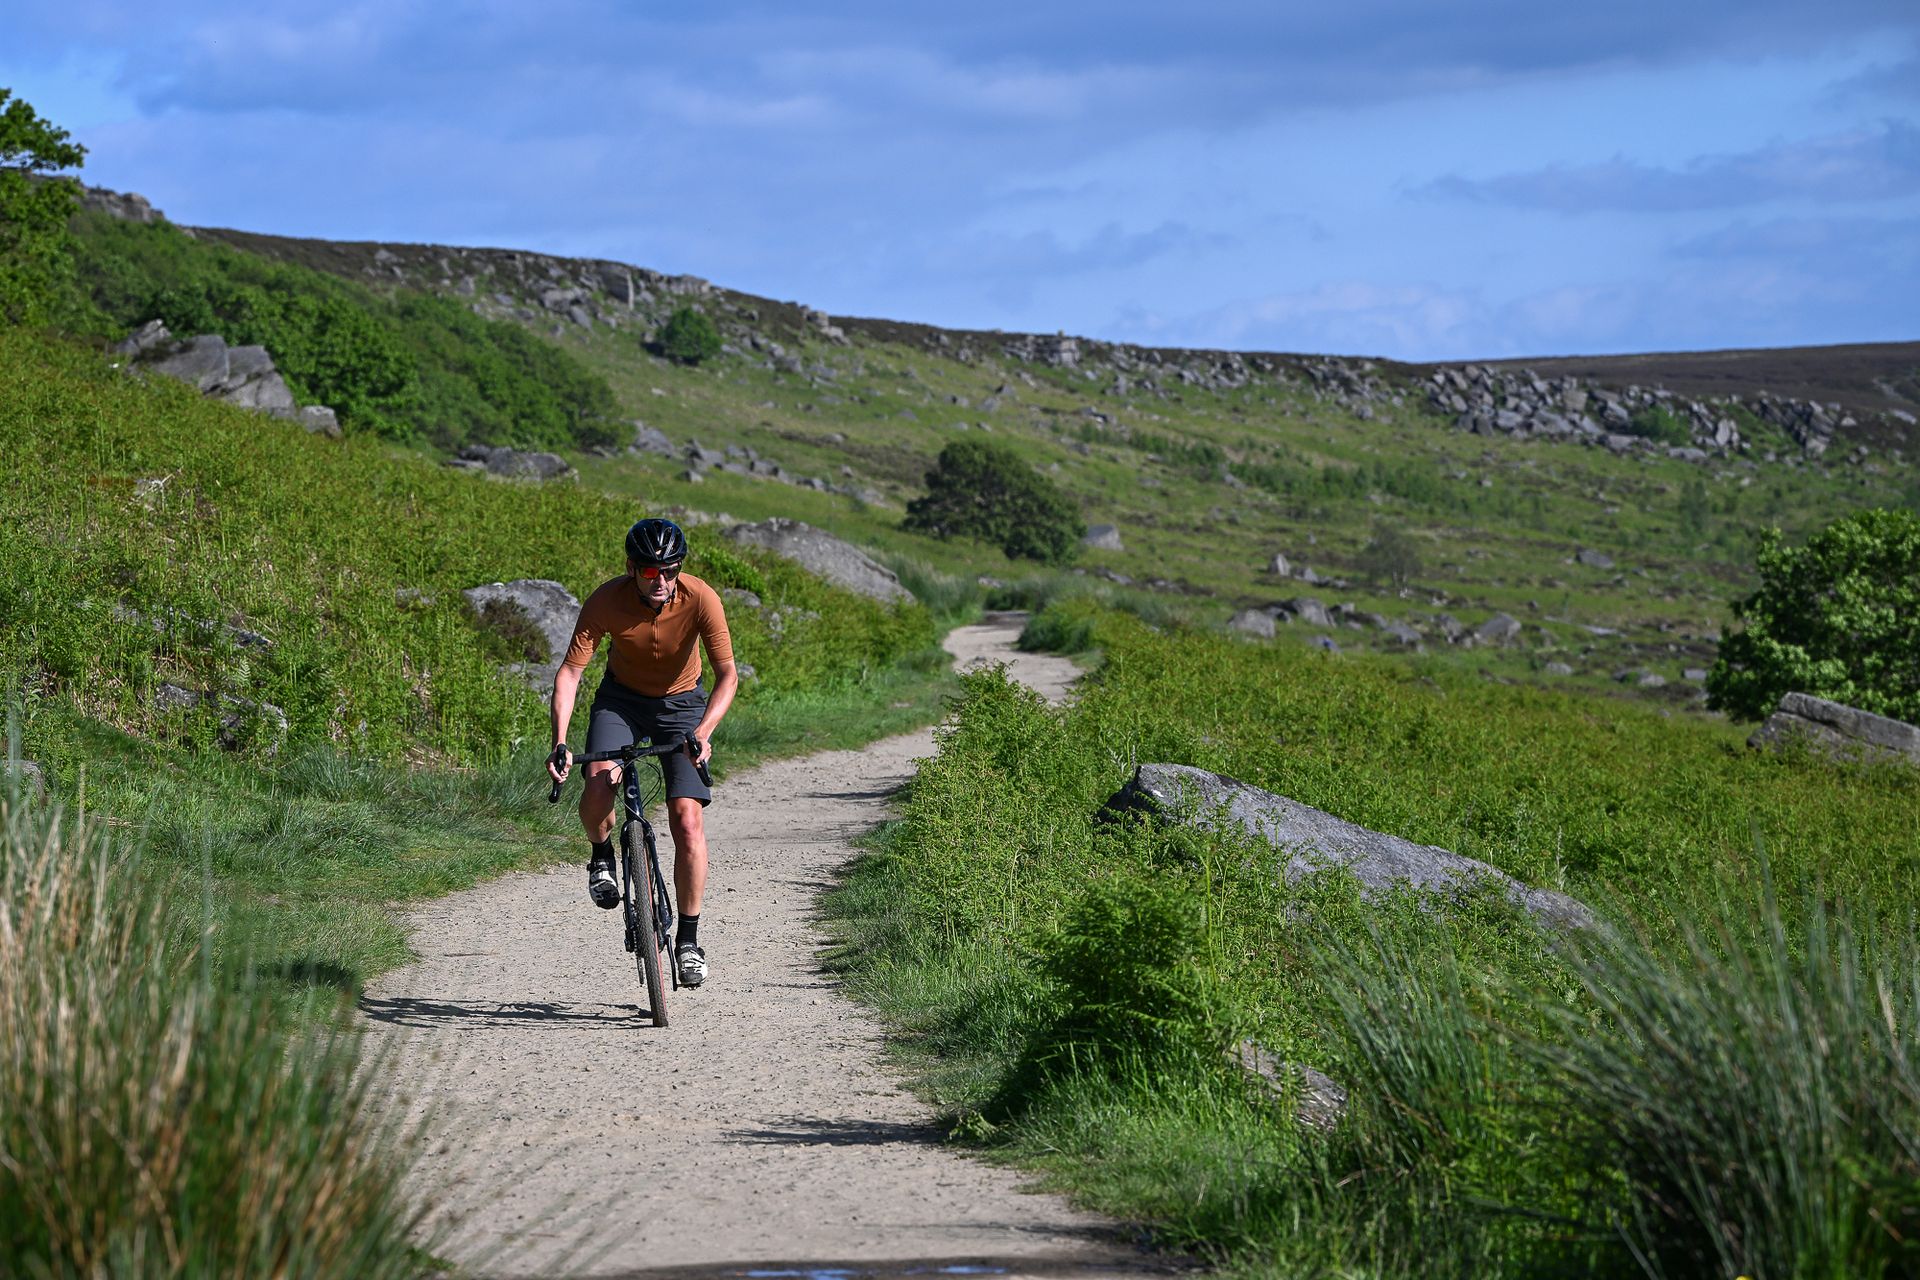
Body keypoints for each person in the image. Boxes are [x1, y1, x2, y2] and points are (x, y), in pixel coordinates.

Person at [545, 517, 737, 988]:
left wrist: (705, 730)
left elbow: (727, 676)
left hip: (683, 704)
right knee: (597, 786)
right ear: (632, 569)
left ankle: (688, 941)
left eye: (670, 571)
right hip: (622, 702)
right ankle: (601, 857)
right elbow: (570, 674)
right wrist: (561, 741)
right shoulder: (605, 601)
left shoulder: (701, 599)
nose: (662, 582)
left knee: (687, 820)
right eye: (651, 573)